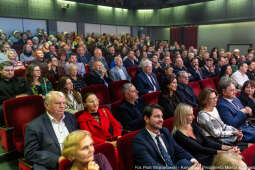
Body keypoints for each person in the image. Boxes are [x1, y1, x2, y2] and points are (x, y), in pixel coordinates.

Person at [132, 104, 202, 170]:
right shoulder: (139, 141)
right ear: (146, 119)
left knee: (187, 163)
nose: (161, 120)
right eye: (157, 116)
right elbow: (153, 166)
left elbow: (178, 150)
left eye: (162, 116)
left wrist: (193, 160)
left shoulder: (164, 131)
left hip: (173, 166)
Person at [24, 91, 79, 170]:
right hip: (53, 164)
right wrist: (57, 159)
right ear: (46, 105)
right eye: (58, 103)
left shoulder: (71, 118)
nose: (62, 106)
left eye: (64, 103)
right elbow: (30, 153)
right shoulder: (34, 126)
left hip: (76, 159)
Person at [172, 103, 239, 166]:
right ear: (182, 116)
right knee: (230, 160)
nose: (193, 117)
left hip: (208, 153)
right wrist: (226, 152)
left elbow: (207, 141)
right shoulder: (178, 134)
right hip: (198, 160)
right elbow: (200, 149)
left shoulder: (192, 125)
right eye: (190, 115)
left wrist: (229, 147)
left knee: (235, 154)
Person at [0, 61, 32, 126]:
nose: (10, 72)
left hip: (23, 104)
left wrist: (17, 98)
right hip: (7, 108)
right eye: (7, 70)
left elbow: (29, 92)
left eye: (12, 70)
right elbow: (1, 99)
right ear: (0, 71)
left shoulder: (21, 80)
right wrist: (16, 98)